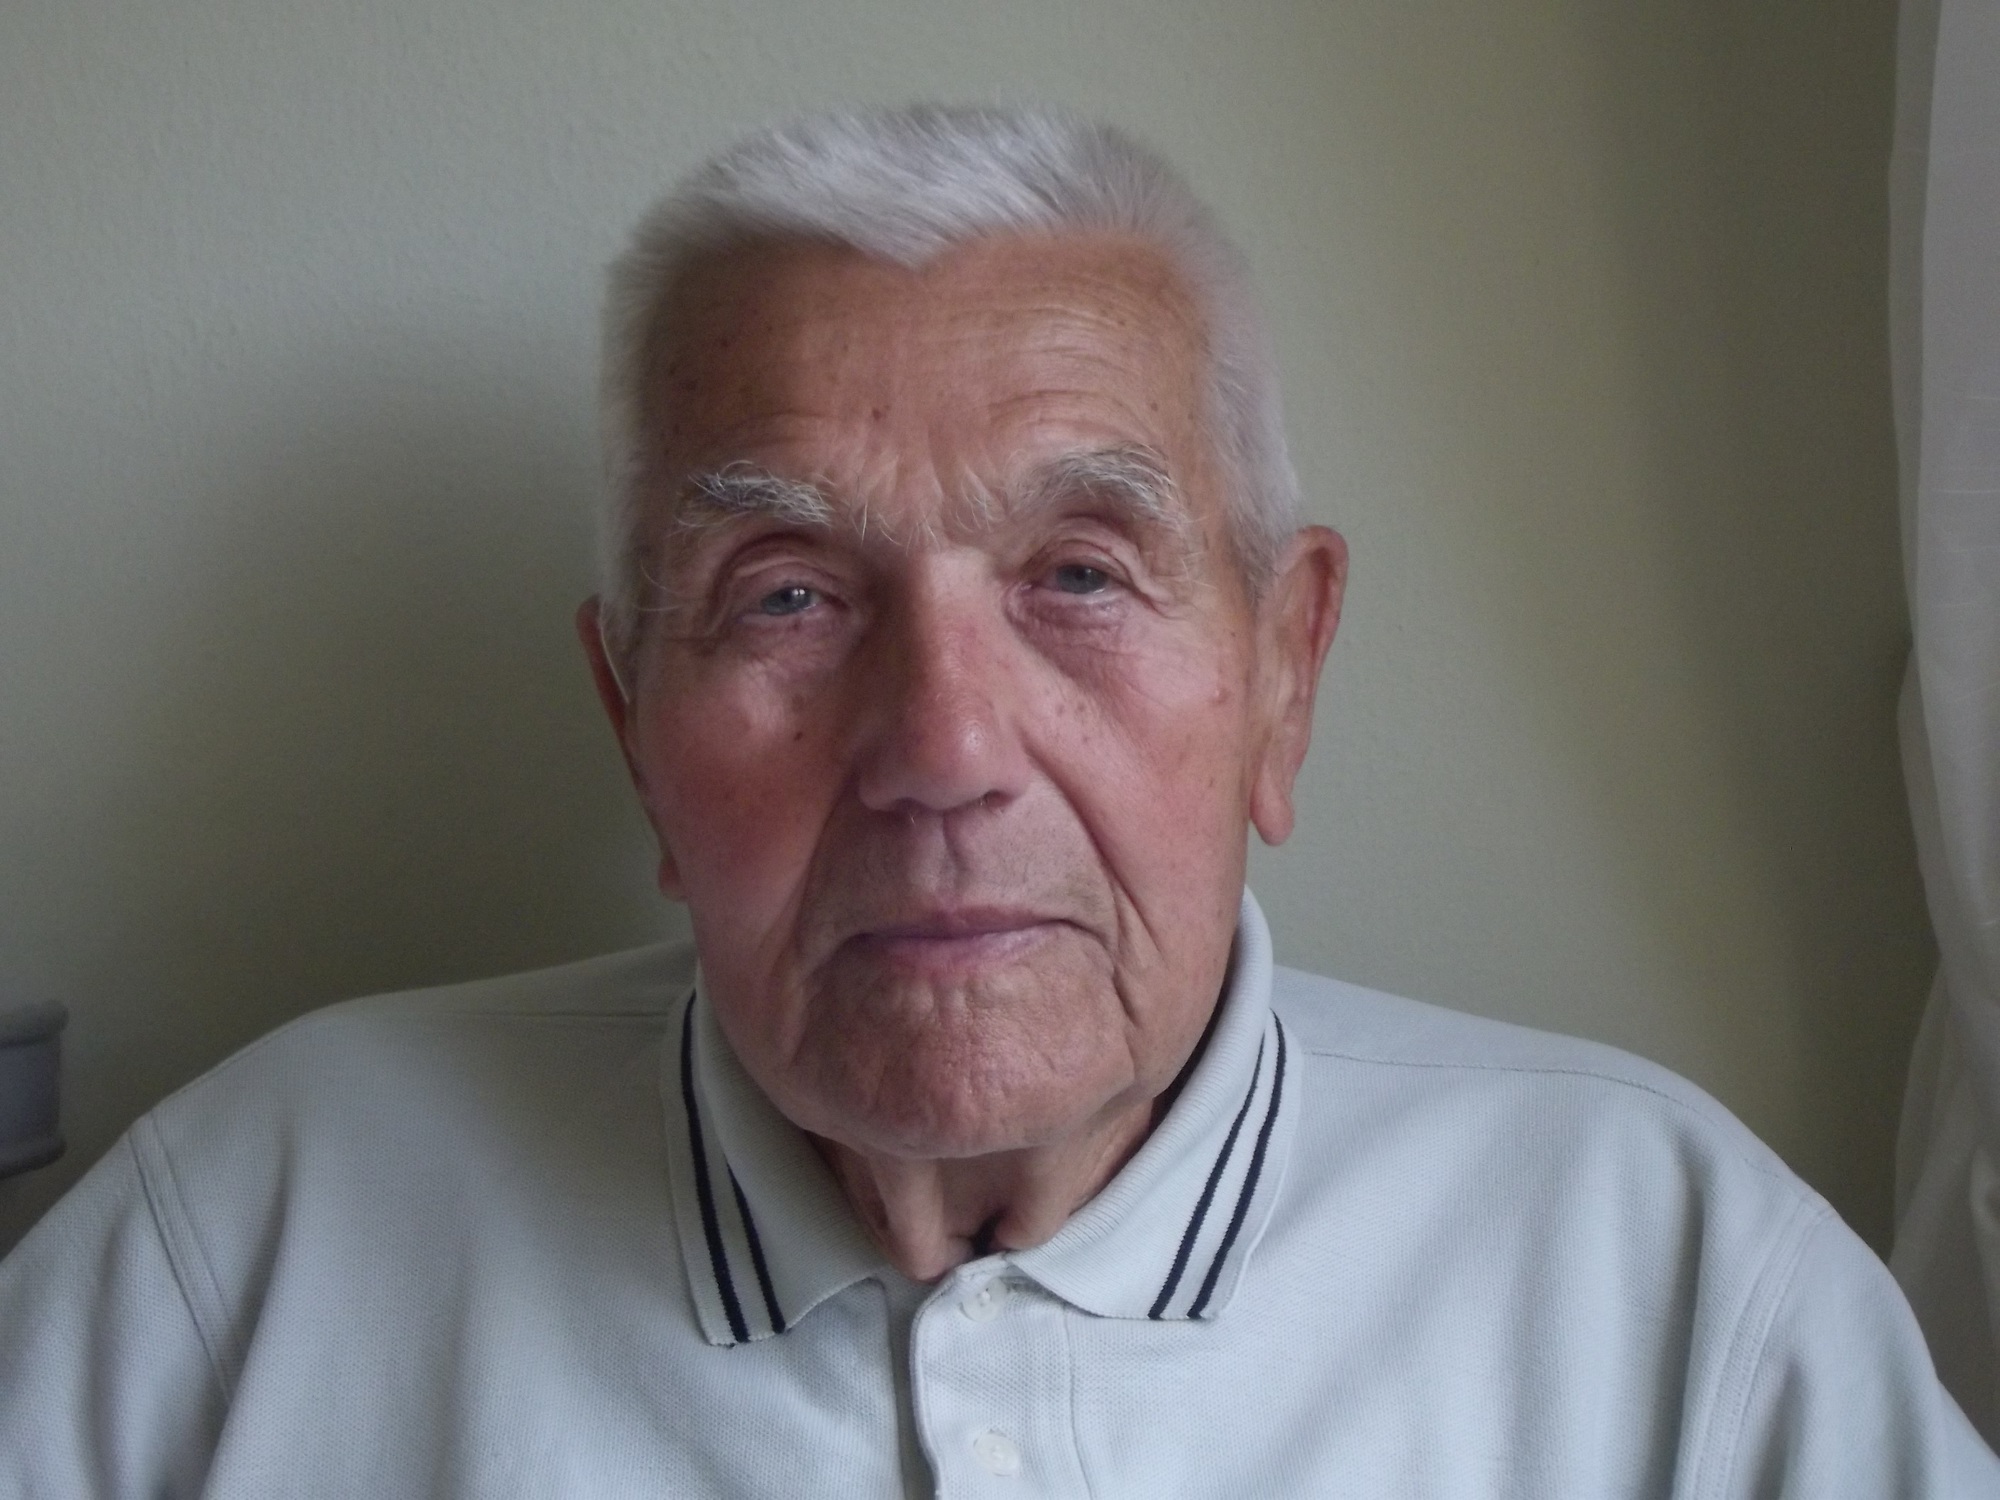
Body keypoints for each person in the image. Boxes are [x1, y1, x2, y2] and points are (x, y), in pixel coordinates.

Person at [0, 105, 1992, 1498]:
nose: (946, 749)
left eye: (1080, 576)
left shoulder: (1665, 1279)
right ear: (632, 725)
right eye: (787, 596)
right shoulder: (237, 1253)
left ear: (1283, 673)